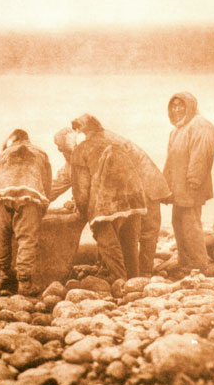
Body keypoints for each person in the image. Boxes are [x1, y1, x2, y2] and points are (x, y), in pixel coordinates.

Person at [71, 114, 171, 276]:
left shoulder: (92, 144)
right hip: (134, 188)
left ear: (81, 131)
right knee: (131, 232)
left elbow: (85, 183)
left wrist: (83, 210)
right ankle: (134, 274)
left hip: (145, 185)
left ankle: (140, 274)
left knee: (145, 232)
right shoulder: (106, 138)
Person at [0, 129, 52, 296]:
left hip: (2, 196)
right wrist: (43, 206)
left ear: (12, 140)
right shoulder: (40, 153)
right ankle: (24, 283)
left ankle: (4, 278)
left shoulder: (5, 153)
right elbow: (47, 182)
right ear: (27, 139)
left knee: (2, 236)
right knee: (27, 240)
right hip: (28, 197)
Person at [163, 92, 214, 276]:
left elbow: (201, 155)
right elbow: (171, 161)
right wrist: (164, 186)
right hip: (178, 188)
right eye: (174, 106)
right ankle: (184, 262)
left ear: (191, 106)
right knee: (177, 222)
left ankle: (198, 263)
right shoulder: (177, 130)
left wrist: (194, 180)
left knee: (190, 223)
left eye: (181, 105)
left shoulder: (200, 125)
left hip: (192, 186)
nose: (177, 109)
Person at [48, 127, 77, 211]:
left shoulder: (86, 164)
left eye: (61, 147)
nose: (59, 150)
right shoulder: (68, 167)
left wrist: (75, 202)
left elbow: (91, 189)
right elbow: (54, 187)